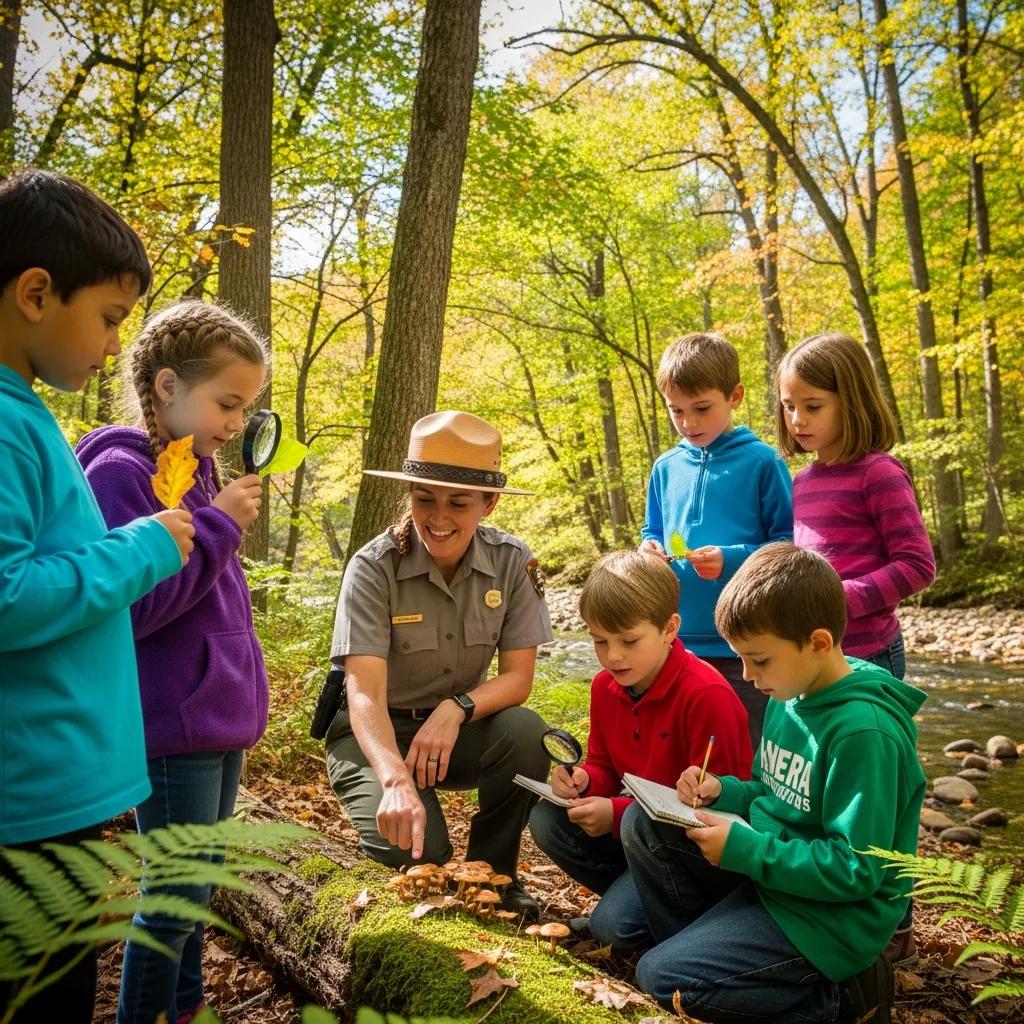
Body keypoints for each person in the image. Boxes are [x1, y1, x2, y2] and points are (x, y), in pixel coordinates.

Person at [0, 169, 194, 1024]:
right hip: (28, 800)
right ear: (37, 292)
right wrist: (145, 547)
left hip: (52, 786)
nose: (114, 346)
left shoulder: (26, 415)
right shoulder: (5, 423)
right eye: (110, 319)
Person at [598, 543, 925, 1024]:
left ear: (817, 643)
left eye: (760, 660)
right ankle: (709, 959)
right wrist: (724, 791)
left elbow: (857, 870)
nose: (748, 676)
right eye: (742, 659)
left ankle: (840, 1003)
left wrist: (747, 851)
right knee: (646, 827)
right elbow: (779, 798)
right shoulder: (790, 692)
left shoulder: (864, 734)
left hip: (830, 919)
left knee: (663, 980)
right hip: (776, 879)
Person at [77, 298, 270, 1024]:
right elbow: (131, 609)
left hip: (216, 719)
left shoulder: (192, 470)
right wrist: (220, 528)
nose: (234, 422)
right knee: (172, 900)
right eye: (226, 402)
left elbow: (210, 598)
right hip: (172, 724)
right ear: (166, 386)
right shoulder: (123, 472)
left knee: (197, 891)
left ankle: (181, 1012)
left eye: (245, 407)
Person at [325, 411, 552, 919]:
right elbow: (362, 692)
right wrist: (394, 781)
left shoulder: (513, 562)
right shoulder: (373, 566)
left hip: (453, 734)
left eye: (458, 502)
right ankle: (428, 850)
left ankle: (495, 877)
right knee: (420, 852)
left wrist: (456, 708)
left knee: (526, 733)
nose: (439, 516)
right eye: (424, 498)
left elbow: (519, 680)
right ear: (409, 495)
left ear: (488, 502)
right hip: (374, 736)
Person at [777, 331, 936, 963]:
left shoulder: (880, 473)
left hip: (872, 659)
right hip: (819, 666)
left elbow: (917, 565)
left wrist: (839, 599)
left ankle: (892, 922)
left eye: (812, 405)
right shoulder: (802, 481)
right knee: (824, 790)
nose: (798, 419)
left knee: (881, 797)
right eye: (789, 406)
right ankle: (831, 900)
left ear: (853, 400)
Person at [528, 551, 751, 928]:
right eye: (600, 641)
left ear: (669, 628)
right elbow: (603, 765)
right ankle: (633, 905)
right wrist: (584, 781)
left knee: (612, 927)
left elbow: (718, 809)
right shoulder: (605, 687)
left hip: (689, 851)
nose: (613, 656)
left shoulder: (705, 693)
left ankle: (679, 923)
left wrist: (614, 814)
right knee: (547, 817)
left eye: (629, 641)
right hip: (635, 833)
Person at [640, 332, 793, 746]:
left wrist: (732, 559)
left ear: (735, 396)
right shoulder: (665, 467)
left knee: (747, 749)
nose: (689, 423)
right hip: (676, 642)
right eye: (676, 411)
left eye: (702, 408)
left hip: (746, 644)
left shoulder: (764, 462)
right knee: (684, 749)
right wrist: (649, 550)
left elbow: (788, 547)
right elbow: (651, 530)